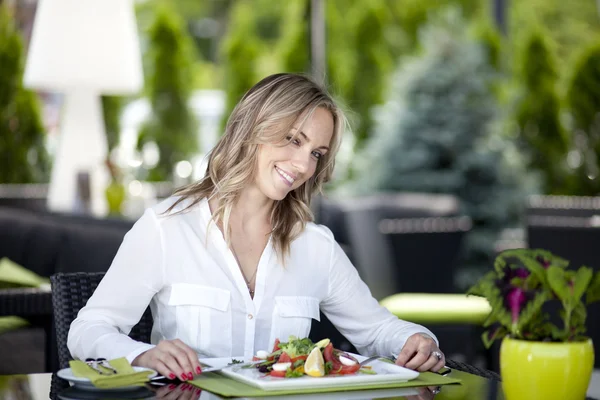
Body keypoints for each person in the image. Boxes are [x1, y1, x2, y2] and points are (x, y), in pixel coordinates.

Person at [68, 73, 445, 383]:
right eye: (292, 140)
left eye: (316, 153)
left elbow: (377, 330)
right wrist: (144, 354)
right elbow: (87, 330)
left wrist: (418, 340)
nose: (302, 164)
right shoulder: (167, 229)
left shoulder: (315, 247)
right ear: (252, 130)